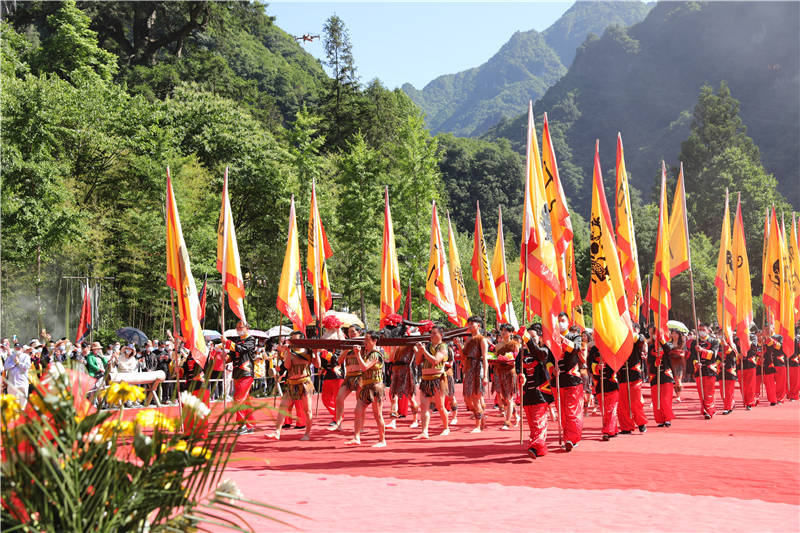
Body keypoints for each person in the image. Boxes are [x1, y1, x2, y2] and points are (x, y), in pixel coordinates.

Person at [266, 330, 320, 441]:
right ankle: (277, 432)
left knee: (308, 410)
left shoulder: (308, 351)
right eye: (292, 339)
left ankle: (307, 433)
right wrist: (288, 352)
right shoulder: (289, 351)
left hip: (305, 382)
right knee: (282, 407)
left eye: (295, 339)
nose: (293, 341)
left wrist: (316, 353)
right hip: (291, 383)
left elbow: (317, 365)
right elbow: (287, 366)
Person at [517, 323, 554, 458]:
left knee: (539, 421)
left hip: (541, 393)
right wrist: (520, 376)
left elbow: (537, 353)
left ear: (540, 338)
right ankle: (538, 445)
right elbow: (518, 369)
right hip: (527, 393)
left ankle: (536, 446)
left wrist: (527, 339)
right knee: (532, 423)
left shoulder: (544, 351)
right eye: (527, 337)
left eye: (533, 337)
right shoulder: (521, 354)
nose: (529, 340)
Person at [345, 331, 387, 447]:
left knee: (378, 414)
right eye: (365, 340)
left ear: (374, 341)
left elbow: (364, 367)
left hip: (375, 387)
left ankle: (382, 440)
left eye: (367, 340)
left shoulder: (375, 354)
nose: (365, 343)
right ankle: (356, 437)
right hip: (366, 386)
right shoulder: (367, 353)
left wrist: (357, 354)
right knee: (358, 411)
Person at [411, 325, 451, 439]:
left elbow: (435, 360)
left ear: (441, 335)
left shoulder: (443, 347)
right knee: (424, 406)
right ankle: (424, 431)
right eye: (431, 333)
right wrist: (419, 351)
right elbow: (418, 361)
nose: (432, 335)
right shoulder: (427, 346)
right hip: (425, 379)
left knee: (440, 406)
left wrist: (423, 351)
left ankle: (446, 427)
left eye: (435, 333)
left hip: (438, 379)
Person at [552, 312, 584, 451]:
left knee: (572, 411)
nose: (560, 322)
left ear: (568, 322)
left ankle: (571, 438)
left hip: (572, 380)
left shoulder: (574, 336)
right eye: (558, 320)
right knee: (562, 412)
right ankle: (567, 436)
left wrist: (562, 339)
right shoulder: (551, 338)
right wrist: (551, 368)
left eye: (562, 320)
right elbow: (547, 357)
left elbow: (576, 348)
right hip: (558, 380)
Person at [456, 316, 489, 433]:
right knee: (467, 398)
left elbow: (485, 358)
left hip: (477, 368)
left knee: (476, 397)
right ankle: (481, 417)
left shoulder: (482, 340)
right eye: (468, 324)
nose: (469, 326)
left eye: (472, 324)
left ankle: (478, 425)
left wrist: (485, 375)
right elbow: (463, 356)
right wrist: (459, 345)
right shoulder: (469, 340)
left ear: (478, 325)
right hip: (468, 368)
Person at [329, 325, 363, 431]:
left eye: (353, 332)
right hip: (348, 377)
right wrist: (346, 350)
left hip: (360, 376)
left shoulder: (364, 344)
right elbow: (339, 361)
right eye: (349, 332)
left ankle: (360, 426)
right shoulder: (346, 345)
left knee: (360, 402)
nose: (351, 334)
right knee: (339, 398)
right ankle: (338, 423)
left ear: (359, 332)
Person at [586, 331, 619, 440]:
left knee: (611, 408)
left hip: (612, 382)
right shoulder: (594, 350)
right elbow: (589, 365)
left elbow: (617, 363)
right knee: (605, 409)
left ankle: (607, 431)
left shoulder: (613, 348)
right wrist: (597, 367)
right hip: (599, 384)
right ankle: (613, 429)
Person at [227, 321, 257, 434]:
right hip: (237, 372)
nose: (239, 328)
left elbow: (242, 349)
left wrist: (228, 343)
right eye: (237, 327)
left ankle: (242, 425)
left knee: (238, 399)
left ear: (247, 328)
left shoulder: (251, 340)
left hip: (246, 372)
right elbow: (232, 355)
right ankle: (250, 424)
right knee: (245, 400)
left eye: (241, 327)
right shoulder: (236, 340)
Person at [618, 324, 649, 434]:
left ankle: (641, 423)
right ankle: (626, 426)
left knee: (636, 402)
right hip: (622, 374)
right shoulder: (617, 337)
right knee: (623, 404)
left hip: (634, 374)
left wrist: (631, 333)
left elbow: (641, 340)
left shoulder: (636, 339)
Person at [492, 323, 519, 430]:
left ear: (511, 332)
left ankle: (507, 422)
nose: (503, 333)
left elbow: (518, 359)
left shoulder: (514, 344)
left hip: (511, 372)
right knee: (504, 398)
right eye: (502, 330)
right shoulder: (498, 345)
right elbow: (495, 357)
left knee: (509, 398)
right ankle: (516, 415)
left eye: (506, 331)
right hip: (500, 372)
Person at [690, 323, 720, 419]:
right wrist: (695, 363)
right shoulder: (695, 342)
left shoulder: (714, 341)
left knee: (709, 392)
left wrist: (702, 350)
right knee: (701, 392)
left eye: (703, 329)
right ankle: (706, 409)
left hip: (710, 369)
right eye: (700, 329)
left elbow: (713, 354)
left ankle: (709, 411)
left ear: (708, 330)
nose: (701, 331)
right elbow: (693, 356)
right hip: (699, 370)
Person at [648, 331, 675, 427]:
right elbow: (649, 359)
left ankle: (667, 418)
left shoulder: (668, 344)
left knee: (665, 399)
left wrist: (662, 341)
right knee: (656, 399)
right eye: (655, 333)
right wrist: (655, 361)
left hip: (666, 375)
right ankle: (659, 419)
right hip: (655, 375)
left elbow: (669, 351)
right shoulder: (651, 347)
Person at [4, 343, 32, 407]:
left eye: (19, 348)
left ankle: (23, 416)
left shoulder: (26, 356)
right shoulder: (10, 357)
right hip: (12, 383)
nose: (17, 349)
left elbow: (27, 367)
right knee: (12, 403)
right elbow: (5, 367)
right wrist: (14, 363)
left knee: (23, 403)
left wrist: (18, 363)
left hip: (22, 383)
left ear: (22, 349)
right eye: (16, 348)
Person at [760, 325, 780, 406]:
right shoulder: (762, 339)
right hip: (765, 363)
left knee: (775, 382)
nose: (766, 331)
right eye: (765, 329)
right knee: (768, 383)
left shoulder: (778, 337)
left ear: (773, 329)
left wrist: (771, 340)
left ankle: (777, 398)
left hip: (775, 362)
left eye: (768, 329)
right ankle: (772, 399)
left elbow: (779, 347)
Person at [739, 331, 759, 409]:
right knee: (742, 385)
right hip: (740, 363)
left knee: (750, 384)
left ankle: (749, 402)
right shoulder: (737, 337)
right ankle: (745, 400)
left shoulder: (753, 337)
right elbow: (733, 349)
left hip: (750, 363)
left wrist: (746, 340)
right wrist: (738, 354)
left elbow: (754, 347)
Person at [719, 337, 738, 414]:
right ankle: (730, 403)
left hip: (730, 371)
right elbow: (715, 356)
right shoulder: (718, 345)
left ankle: (727, 407)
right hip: (721, 371)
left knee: (729, 391)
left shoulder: (732, 345)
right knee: (722, 391)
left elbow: (733, 355)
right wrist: (718, 363)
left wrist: (726, 345)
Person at [788, 333, 800, 401]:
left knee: (795, 380)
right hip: (789, 361)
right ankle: (791, 394)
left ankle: (794, 394)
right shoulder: (787, 338)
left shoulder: (796, 339)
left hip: (795, 360)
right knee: (792, 379)